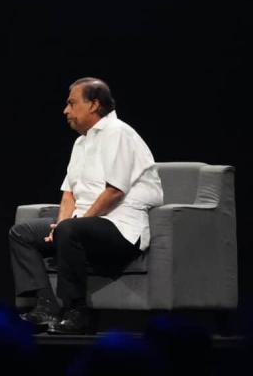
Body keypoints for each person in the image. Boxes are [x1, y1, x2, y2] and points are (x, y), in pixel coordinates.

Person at [9, 77, 163, 334]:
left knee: (71, 230)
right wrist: (58, 225)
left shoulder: (119, 133)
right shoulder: (81, 142)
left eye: (71, 103)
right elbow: (69, 193)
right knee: (22, 233)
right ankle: (46, 305)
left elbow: (114, 191)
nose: (65, 110)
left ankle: (77, 312)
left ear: (93, 105)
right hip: (85, 225)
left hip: (121, 228)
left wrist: (71, 225)